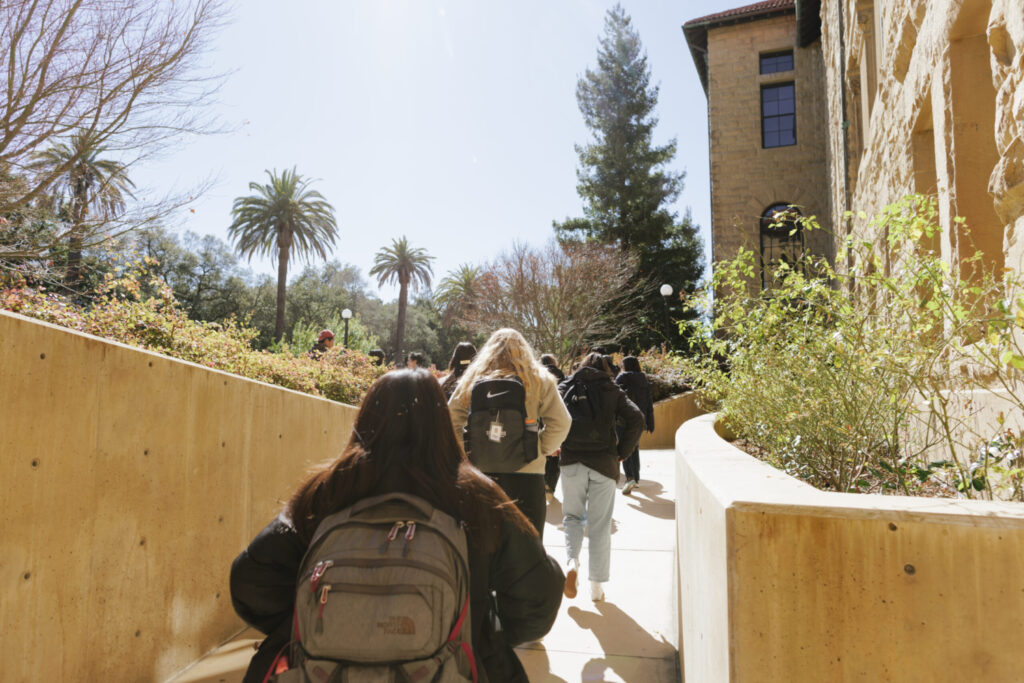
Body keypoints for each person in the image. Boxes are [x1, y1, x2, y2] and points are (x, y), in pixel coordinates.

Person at [230, 369, 564, 683]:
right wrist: (478, 631)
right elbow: (537, 601)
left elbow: (250, 581)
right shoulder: (478, 498)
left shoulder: (326, 491)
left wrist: (312, 623)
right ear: (441, 424)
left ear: (367, 418)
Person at [448, 328, 571, 539]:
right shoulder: (539, 379)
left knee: (481, 548)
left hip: (481, 474)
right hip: (528, 475)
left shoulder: (473, 379)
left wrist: (466, 453)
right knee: (528, 550)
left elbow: (450, 419)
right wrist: (539, 449)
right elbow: (561, 422)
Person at [558, 352, 643, 602]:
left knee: (572, 517)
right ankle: (596, 587)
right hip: (604, 463)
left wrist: (556, 443)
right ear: (605, 368)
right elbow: (636, 418)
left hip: (571, 460)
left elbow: (547, 414)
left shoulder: (566, 386)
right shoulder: (611, 389)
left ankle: (571, 563)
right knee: (599, 526)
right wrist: (622, 453)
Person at [615, 355, 656, 494]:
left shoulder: (621, 378)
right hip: (640, 420)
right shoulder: (643, 380)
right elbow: (649, 403)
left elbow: (615, 398)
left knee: (625, 448)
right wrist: (650, 422)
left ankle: (629, 477)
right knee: (635, 448)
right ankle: (636, 479)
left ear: (625, 365)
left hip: (623, 419)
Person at [539, 353, 565, 494]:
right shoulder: (562, 375)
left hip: (540, 416)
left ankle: (543, 481)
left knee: (543, 451)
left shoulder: (537, 375)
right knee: (555, 452)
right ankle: (551, 484)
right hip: (556, 416)